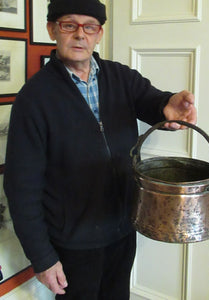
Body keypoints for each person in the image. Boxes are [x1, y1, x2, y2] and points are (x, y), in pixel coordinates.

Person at [3, 0, 197, 299]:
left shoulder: (121, 77)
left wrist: (169, 104)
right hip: (72, 242)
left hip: (122, 228)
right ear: (52, 29)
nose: (80, 34)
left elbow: (154, 101)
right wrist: (42, 257)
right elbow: (21, 187)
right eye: (69, 25)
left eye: (89, 26)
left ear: (99, 34)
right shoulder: (35, 98)